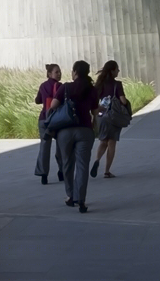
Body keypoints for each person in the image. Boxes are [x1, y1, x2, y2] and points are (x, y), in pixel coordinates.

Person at [52, 59, 100, 211]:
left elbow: (53, 106)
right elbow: (94, 112)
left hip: (65, 131)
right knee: (82, 166)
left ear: (75, 72)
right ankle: (81, 200)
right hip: (85, 131)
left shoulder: (65, 87)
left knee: (67, 164)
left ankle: (70, 195)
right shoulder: (92, 90)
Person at [92, 59, 131, 178]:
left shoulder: (99, 83)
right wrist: (127, 104)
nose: (118, 71)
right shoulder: (117, 84)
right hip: (113, 117)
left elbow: (94, 101)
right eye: (117, 69)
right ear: (112, 71)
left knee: (103, 142)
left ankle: (97, 160)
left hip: (101, 116)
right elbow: (123, 100)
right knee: (112, 143)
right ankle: (107, 171)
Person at [31, 63, 64, 184]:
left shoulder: (43, 85)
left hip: (44, 119)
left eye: (59, 71)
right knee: (61, 146)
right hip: (58, 120)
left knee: (44, 146)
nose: (59, 74)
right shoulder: (60, 86)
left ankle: (43, 174)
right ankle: (62, 171)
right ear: (50, 74)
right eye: (57, 72)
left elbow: (37, 100)